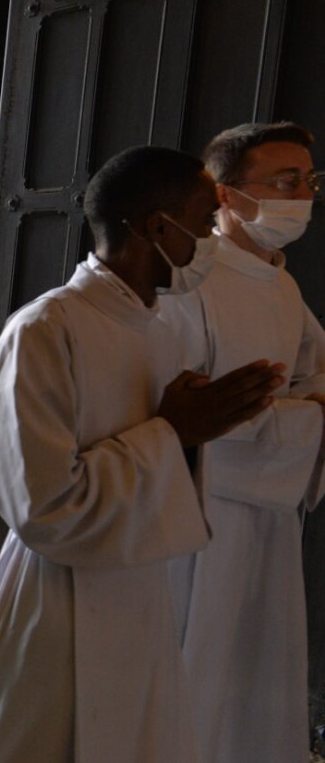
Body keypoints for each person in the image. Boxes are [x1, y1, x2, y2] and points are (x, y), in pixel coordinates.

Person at [0, 146, 284, 762]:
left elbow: (168, 454)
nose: (211, 240)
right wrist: (173, 434)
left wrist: (199, 431)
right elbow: (41, 507)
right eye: (204, 224)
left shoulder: (160, 327)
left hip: (141, 588)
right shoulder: (44, 331)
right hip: (58, 600)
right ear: (156, 227)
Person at [158, 122, 325, 762]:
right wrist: (308, 417)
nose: (302, 194)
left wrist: (305, 408)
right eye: (285, 181)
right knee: (200, 661)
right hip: (208, 509)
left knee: (258, 662)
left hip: (270, 511)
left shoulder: (281, 282)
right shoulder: (192, 280)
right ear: (228, 197)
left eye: (308, 181)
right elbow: (193, 409)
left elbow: (313, 373)